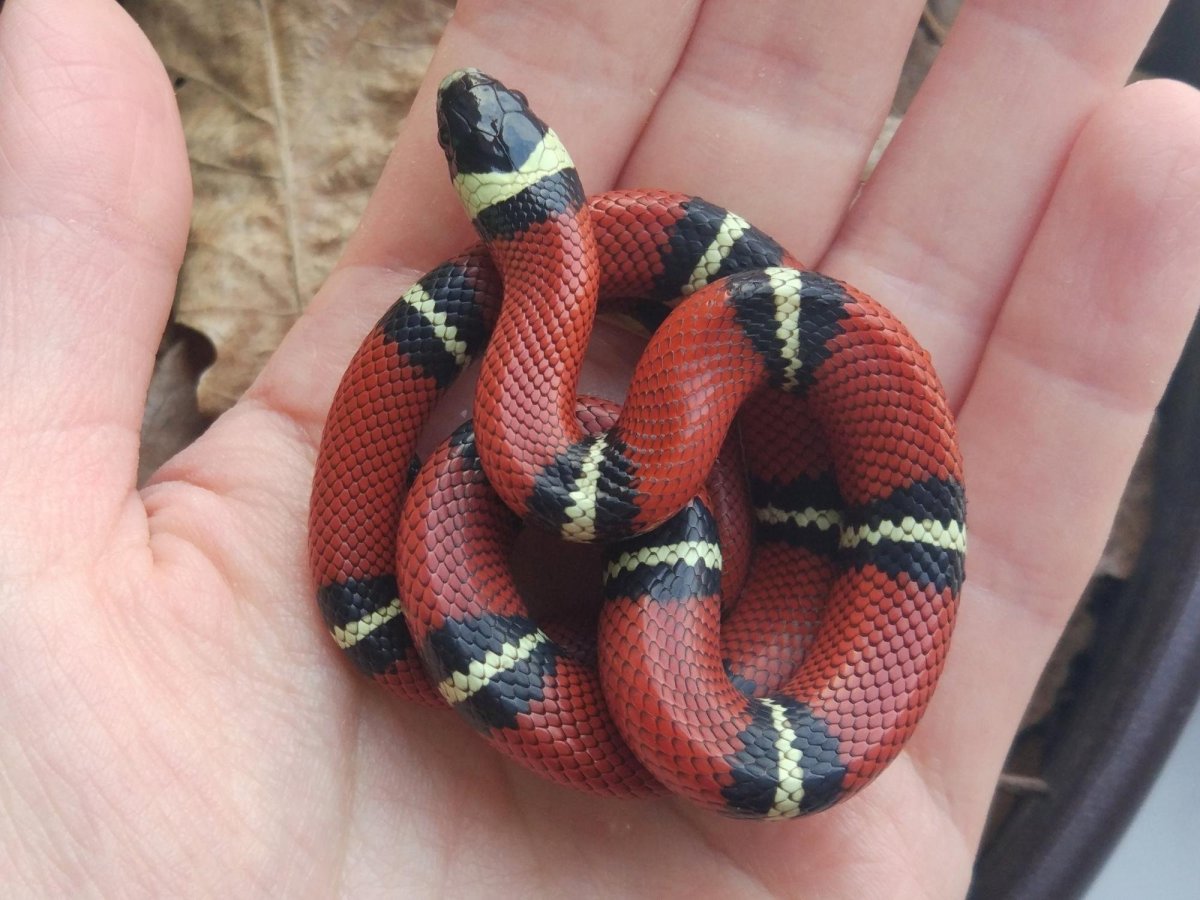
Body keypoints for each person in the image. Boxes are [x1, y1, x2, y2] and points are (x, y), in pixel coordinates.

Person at [1, 0, 1197, 895]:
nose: (480, 120)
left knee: (630, 486)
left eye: (494, 144)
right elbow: (613, 459)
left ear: (523, 202)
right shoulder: (563, 410)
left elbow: (617, 461)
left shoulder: (573, 417)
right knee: (625, 488)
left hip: (657, 556)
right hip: (632, 539)